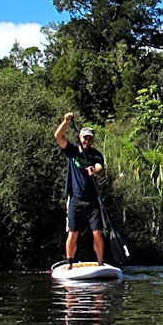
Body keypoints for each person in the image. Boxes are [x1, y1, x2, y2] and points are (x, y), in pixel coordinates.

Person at [54, 112, 106, 267]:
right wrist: (66, 121)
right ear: (80, 138)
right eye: (85, 137)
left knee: (97, 232)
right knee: (73, 232)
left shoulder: (96, 154)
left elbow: (99, 166)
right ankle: (70, 262)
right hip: (75, 199)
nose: (87, 140)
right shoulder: (72, 150)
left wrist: (94, 171)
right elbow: (58, 136)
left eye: (90, 138)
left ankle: (100, 262)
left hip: (92, 199)